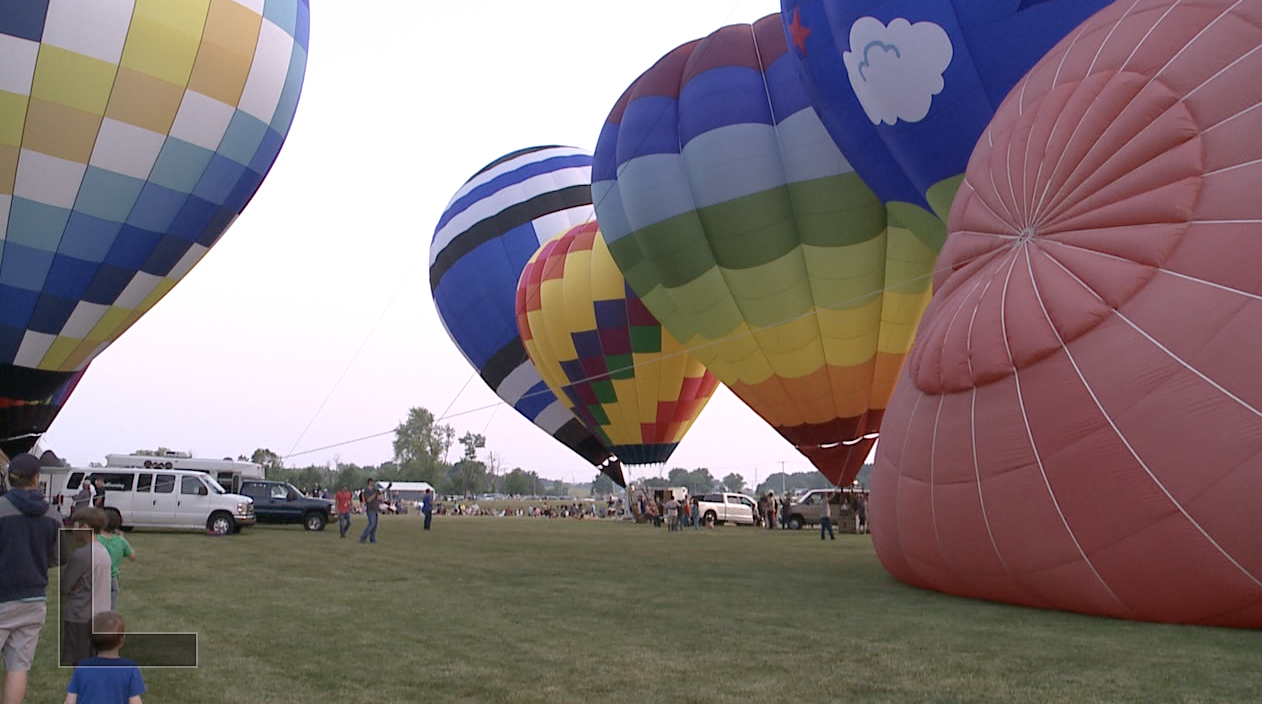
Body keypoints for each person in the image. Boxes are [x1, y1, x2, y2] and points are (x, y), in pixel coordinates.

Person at [0, 453, 64, 704]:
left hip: (3, 596)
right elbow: (59, 557)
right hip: (34, 598)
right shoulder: (53, 515)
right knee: (18, 667)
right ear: (37, 479)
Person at [61, 507, 111, 666]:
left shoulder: (81, 555)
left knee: (80, 666)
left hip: (80, 617)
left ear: (85, 527)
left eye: (75, 525)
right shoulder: (104, 551)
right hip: (101, 617)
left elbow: (65, 587)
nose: (72, 529)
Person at [63, 611, 145, 704]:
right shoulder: (130, 669)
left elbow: (70, 700)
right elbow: (135, 701)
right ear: (122, 640)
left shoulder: (82, 667)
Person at [97, 513, 136, 611]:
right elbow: (132, 556)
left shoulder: (96, 539)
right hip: (112, 579)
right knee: (111, 610)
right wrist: (122, 538)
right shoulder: (120, 541)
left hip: (97, 577)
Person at [359, 478, 382, 544]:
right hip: (370, 509)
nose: (374, 483)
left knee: (375, 526)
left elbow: (379, 496)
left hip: (376, 509)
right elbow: (368, 500)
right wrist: (375, 494)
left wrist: (380, 494)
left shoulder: (375, 489)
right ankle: (362, 538)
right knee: (371, 524)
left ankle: (372, 540)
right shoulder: (366, 491)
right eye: (373, 482)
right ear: (369, 482)